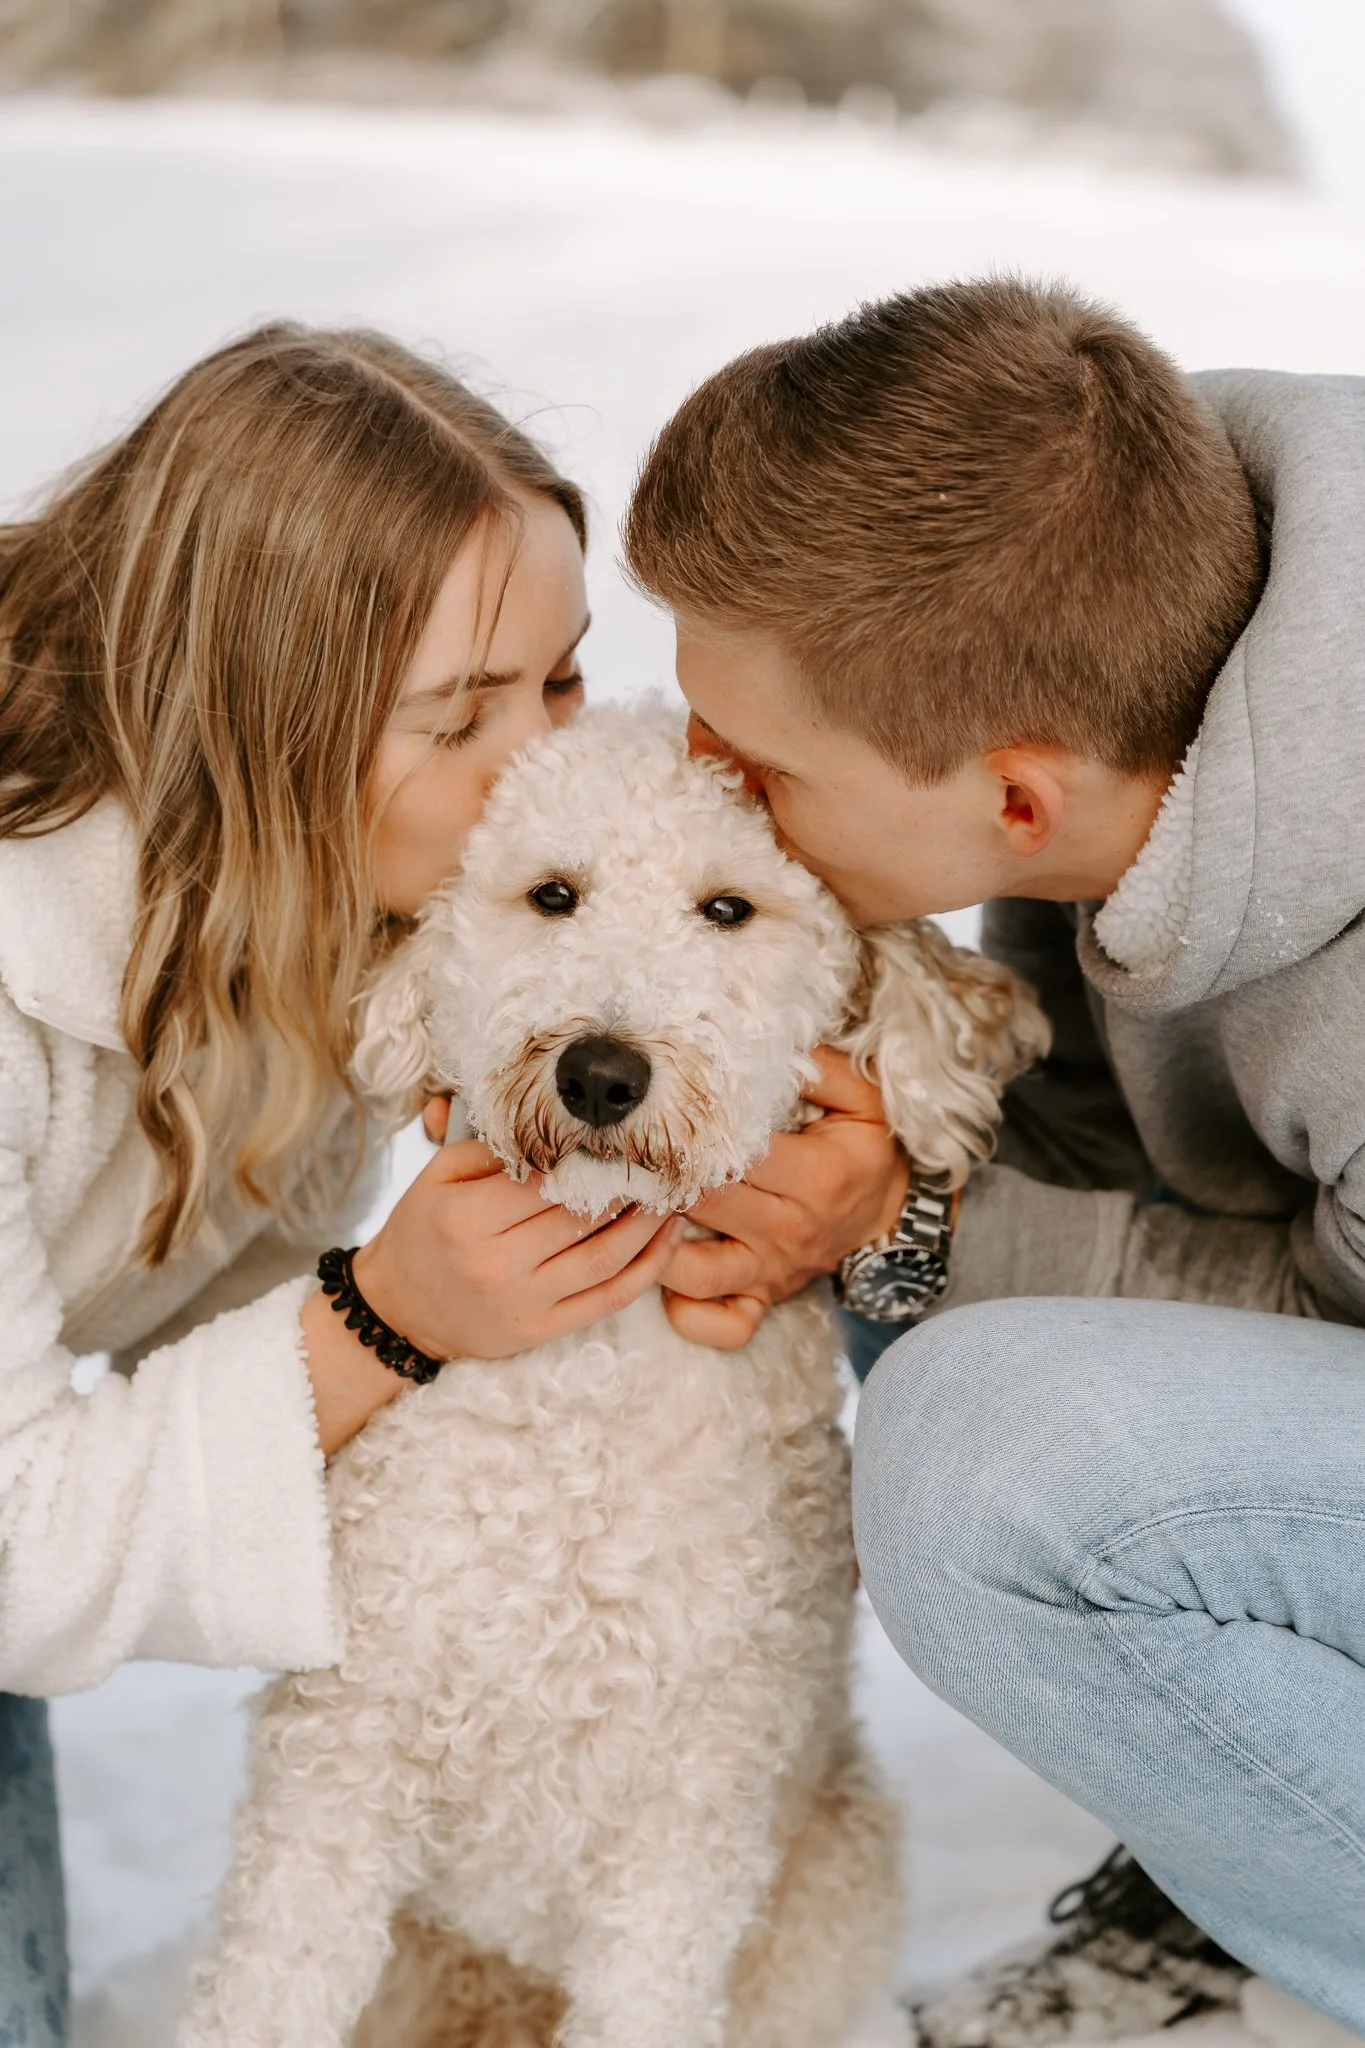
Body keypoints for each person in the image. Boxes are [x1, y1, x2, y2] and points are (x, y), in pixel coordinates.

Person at [625, 279, 1365, 2039]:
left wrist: (903, 1223)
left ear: (1017, 800)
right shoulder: (1135, 643)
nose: (703, 790)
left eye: (758, 766)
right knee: (895, 1153)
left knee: (992, 1461)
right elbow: (1101, 1156)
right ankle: (1251, 1835)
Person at [0, 323, 684, 2043]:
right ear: (259, 727)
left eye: (561, 683)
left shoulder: (324, 903)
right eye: (465, 717)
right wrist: (378, 1322)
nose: (542, 770)